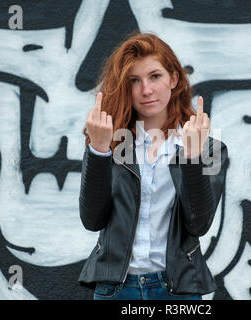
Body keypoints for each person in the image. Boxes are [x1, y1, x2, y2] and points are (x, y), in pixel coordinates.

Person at [78, 32, 229, 300]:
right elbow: (92, 219)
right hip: (116, 290)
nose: (146, 90)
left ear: (174, 79)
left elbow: (199, 224)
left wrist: (192, 157)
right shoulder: (112, 143)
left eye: (155, 76)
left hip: (176, 290)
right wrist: (98, 150)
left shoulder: (212, 149)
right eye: (134, 81)